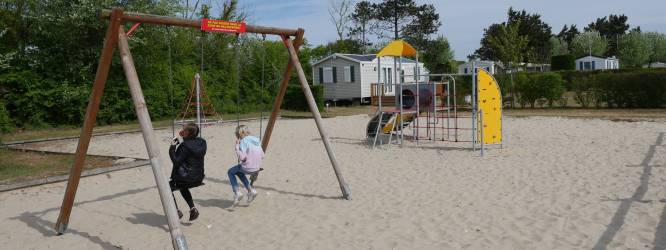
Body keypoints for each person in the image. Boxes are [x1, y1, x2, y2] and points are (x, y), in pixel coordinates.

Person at [169, 123, 206, 221]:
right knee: (182, 186)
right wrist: (184, 138)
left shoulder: (184, 146)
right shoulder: (202, 142)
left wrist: (172, 147)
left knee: (167, 188)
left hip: (187, 178)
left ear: (187, 132)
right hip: (198, 177)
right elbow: (191, 146)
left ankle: (176, 211)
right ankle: (193, 209)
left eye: (184, 129)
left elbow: (176, 161)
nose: (182, 130)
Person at [228, 125, 264, 205]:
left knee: (230, 172)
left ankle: (237, 192)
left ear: (239, 134)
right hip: (257, 167)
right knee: (239, 172)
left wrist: (237, 147)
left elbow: (242, 158)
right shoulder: (256, 140)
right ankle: (251, 191)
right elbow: (262, 155)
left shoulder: (243, 141)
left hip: (248, 167)